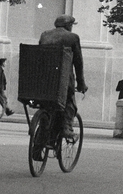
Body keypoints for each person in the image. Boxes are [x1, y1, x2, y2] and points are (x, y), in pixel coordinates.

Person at [34, 15, 86, 157]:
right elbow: (78, 62)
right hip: (63, 82)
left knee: (47, 110)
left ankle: (37, 148)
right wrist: (81, 83)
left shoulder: (45, 35)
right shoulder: (72, 38)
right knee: (70, 104)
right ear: (68, 25)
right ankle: (67, 128)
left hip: (44, 82)